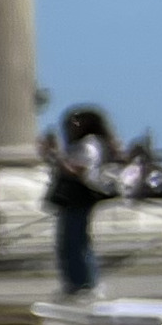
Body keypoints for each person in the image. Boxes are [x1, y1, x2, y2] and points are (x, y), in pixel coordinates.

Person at [47, 106, 118, 300]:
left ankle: (88, 283)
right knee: (67, 242)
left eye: (77, 121)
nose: (72, 125)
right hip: (73, 197)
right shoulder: (78, 145)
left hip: (81, 195)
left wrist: (57, 155)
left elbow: (78, 169)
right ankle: (73, 283)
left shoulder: (89, 144)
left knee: (77, 241)